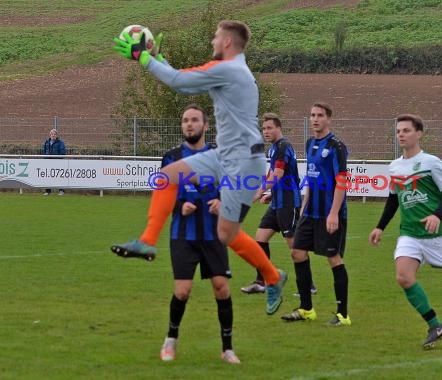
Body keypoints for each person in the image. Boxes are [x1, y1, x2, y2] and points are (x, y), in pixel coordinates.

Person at [111, 20, 287, 315]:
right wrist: (156, 58)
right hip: (226, 155)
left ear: (228, 42)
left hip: (244, 161)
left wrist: (143, 58)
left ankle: (272, 276)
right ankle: (147, 242)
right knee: (167, 176)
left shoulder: (229, 70)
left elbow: (180, 82)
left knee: (226, 234)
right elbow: (183, 79)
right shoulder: (231, 70)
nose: (212, 42)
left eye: (216, 38)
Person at [368, 114, 442, 348]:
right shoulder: (395, 167)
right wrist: (380, 227)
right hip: (410, 233)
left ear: (419, 133)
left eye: (406, 130)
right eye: (399, 131)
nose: (401, 134)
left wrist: (436, 215)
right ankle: (435, 325)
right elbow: (393, 200)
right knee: (403, 276)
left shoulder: (431, 162)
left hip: (438, 233)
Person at [159, 104, 239, 364]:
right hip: (183, 234)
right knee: (182, 291)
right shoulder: (171, 158)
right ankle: (170, 340)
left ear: (205, 125)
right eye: (185, 120)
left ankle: (227, 348)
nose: (189, 124)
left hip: (213, 234)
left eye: (194, 120)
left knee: (221, 288)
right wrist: (178, 205)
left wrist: (221, 202)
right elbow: (162, 194)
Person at [281, 102, 351, 326]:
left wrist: (333, 214)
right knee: (297, 253)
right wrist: (303, 205)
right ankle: (306, 309)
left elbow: (342, 182)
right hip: (310, 212)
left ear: (328, 119)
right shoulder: (310, 143)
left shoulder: (337, 146)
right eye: (312, 115)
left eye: (320, 115)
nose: (315, 119)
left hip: (329, 213)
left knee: (333, 258)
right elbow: (311, 179)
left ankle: (343, 314)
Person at [240, 113, 317, 295]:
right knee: (260, 239)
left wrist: (259, 191)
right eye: (264, 128)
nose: (266, 132)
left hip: (288, 203)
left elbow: (279, 174)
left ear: (278, 128)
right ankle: (262, 282)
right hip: (277, 203)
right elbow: (273, 173)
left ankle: (309, 285)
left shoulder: (282, 146)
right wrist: (269, 193)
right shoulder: (274, 148)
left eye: (269, 128)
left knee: (294, 247)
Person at [42, 128, 66, 195]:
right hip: (48, 162)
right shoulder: (46, 142)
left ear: (56, 135)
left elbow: (63, 152)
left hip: (57, 162)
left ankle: (61, 191)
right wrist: (45, 157)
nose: (53, 135)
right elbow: (44, 151)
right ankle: (48, 191)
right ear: (49, 135)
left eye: (54, 134)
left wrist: (58, 158)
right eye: (52, 134)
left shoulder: (60, 143)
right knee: (47, 176)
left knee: (59, 176)